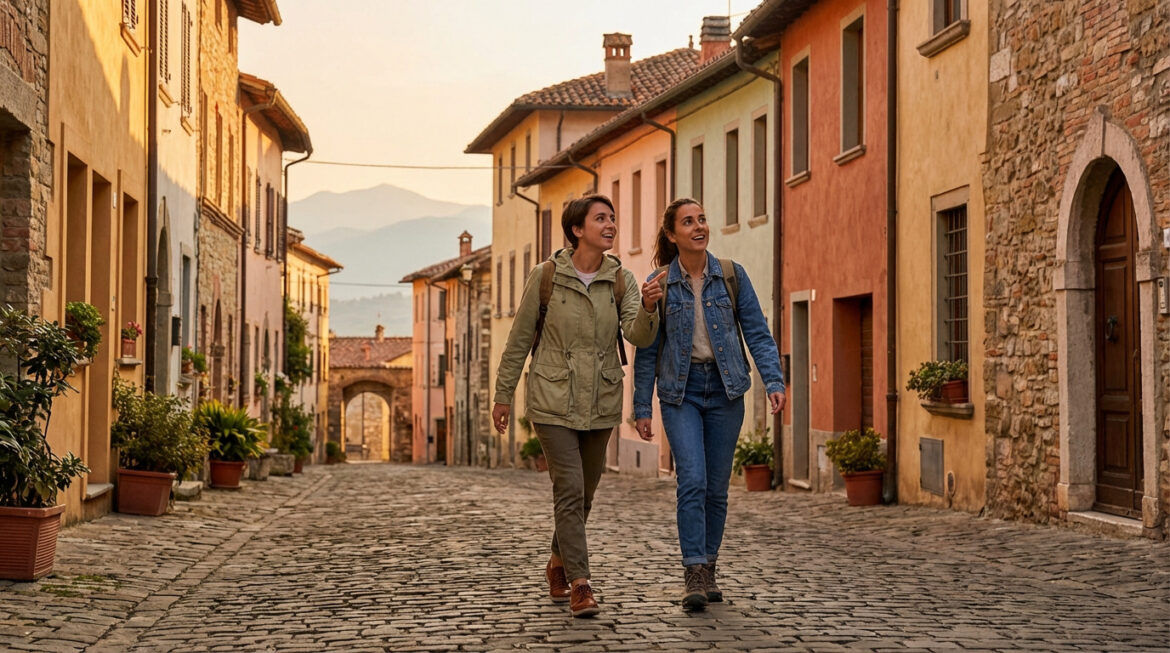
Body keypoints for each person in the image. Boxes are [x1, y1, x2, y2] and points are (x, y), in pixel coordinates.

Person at [492, 193, 663, 618]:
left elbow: (637, 337)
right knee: (568, 489)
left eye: (613, 218)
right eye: (600, 218)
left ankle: (556, 561)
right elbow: (518, 340)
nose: (610, 225)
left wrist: (647, 306)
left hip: (600, 399)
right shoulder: (546, 276)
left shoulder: (620, 279)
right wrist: (502, 394)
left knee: (583, 494)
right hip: (551, 399)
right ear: (577, 229)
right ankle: (581, 584)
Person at [632, 197, 786, 612]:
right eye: (688, 222)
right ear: (672, 234)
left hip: (725, 390)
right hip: (680, 393)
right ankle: (694, 571)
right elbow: (648, 349)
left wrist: (773, 379)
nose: (699, 227)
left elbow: (757, 331)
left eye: (702, 219)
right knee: (693, 480)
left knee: (717, 489)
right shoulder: (659, 283)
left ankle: (709, 566)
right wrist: (642, 407)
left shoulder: (732, 276)